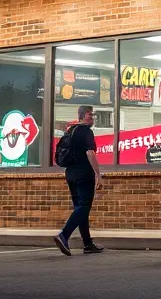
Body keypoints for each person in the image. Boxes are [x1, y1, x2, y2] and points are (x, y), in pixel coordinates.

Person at [53, 105, 105, 255]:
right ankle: (64, 235)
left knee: (80, 209)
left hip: (71, 173)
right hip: (83, 173)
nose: (92, 118)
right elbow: (90, 153)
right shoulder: (86, 131)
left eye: (93, 115)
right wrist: (98, 175)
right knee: (84, 206)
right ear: (82, 116)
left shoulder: (71, 130)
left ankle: (88, 244)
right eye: (90, 115)